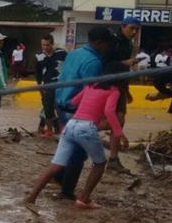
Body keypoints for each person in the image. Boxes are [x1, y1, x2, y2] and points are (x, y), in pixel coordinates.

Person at [26, 62, 130, 209]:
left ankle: (31, 198)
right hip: (86, 128)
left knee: (56, 166)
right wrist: (120, 133)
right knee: (100, 164)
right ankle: (84, 198)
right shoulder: (114, 91)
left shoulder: (90, 85)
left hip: (71, 124)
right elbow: (109, 112)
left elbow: (74, 102)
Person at [53, 26, 115, 200]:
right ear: (98, 43)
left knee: (66, 144)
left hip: (61, 104)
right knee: (78, 153)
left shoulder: (74, 53)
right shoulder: (93, 63)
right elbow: (91, 91)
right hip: (74, 109)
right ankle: (66, 192)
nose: (107, 48)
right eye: (106, 44)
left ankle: (58, 177)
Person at [104, 16, 140, 172]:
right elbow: (106, 65)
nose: (134, 32)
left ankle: (113, 157)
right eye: (132, 28)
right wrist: (126, 63)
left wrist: (127, 90)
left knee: (119, 120)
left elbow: (123, 70)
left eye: (137, 29)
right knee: (115, 121)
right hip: (108, 86)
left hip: (120, 86)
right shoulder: (114, 42)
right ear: (123, 26)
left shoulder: (127, 44)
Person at [34, 35, 67, 137]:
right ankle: (49, 131)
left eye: (47, 45)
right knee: (47, 109)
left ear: (52, 44)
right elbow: (38, 73)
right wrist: (39, 86)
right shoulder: (39, 56)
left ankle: (63, 131)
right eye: (43, 45)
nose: (45, 47)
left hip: (61, 84)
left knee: (61, 108)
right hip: (47, 85)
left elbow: (68, 67)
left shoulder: (62, 54)